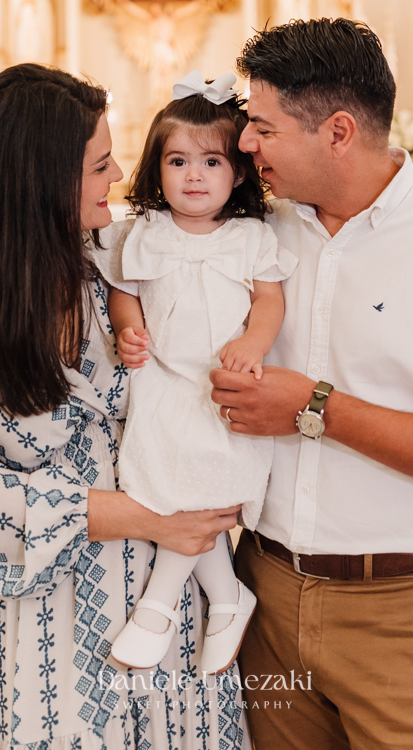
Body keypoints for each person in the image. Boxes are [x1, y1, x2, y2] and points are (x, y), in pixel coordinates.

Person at [0, 64, 246, 750]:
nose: (121, 175)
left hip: (167, 585)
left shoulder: (113, 265)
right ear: (39, 180)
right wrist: (150, 517)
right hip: (46, 610)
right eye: (100, 165)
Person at [209, 18, 413, 750]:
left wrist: (315, 407)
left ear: (338, 131)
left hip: (405, 614)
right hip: (262, 594)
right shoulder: (253, 231)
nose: (245, 143)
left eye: (264, 127)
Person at [95, 70, 296, 674]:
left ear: (238, 173)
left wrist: (254, 343)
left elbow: (269, 301)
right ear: (156, 169)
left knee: (205, 483)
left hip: (221, 385)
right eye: (177, 161)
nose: (194, 176)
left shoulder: (250, 237)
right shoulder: (145, 233)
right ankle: (228, 599)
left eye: (211, 162)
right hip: (164, 382)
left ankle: (159, 605)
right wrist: (128, 330)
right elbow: (125, 290)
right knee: (171, 485)